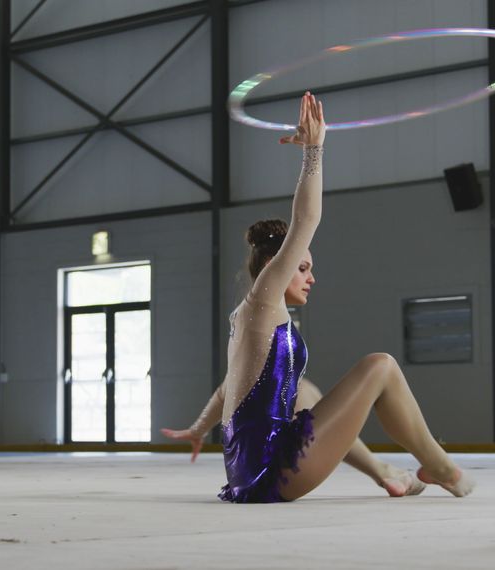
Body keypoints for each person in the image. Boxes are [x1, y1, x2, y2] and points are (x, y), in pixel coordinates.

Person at [162, 92, 475, 503]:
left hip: (248, 471)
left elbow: (228, 389)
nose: (312, 277)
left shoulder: (248, 316)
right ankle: (440, 467)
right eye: (303, 267)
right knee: (380, 367)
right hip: (274, 470)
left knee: (303, 389)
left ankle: (385, 472)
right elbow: (307, 219)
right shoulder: (263, 301)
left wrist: (199, 427)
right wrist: (314, 151)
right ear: (276, 265)